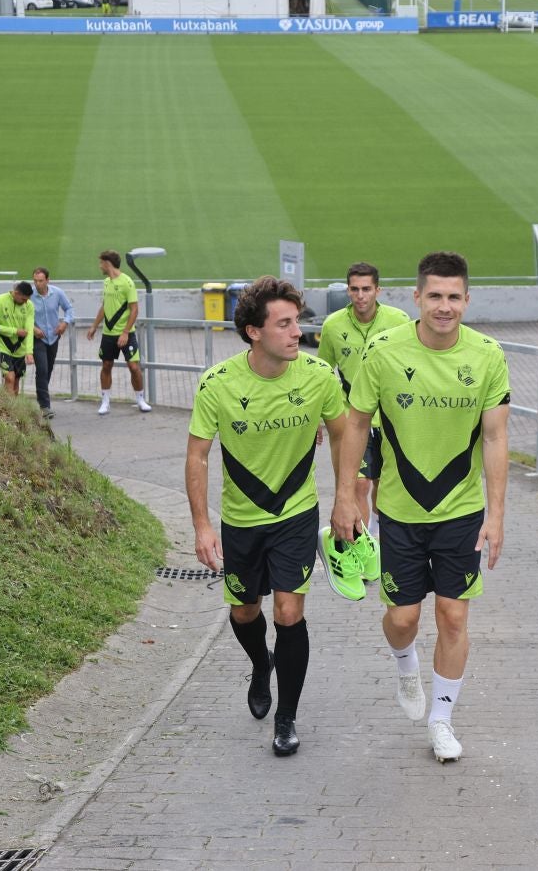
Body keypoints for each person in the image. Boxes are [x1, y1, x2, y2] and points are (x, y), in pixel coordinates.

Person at [330, 251, 510, 764]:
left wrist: (496, 515)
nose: (445, 306)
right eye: (435, 296)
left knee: (453, 616)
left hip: (461, 511)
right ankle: (406, 668)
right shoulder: (384, 352)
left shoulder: (488, 355)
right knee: (404, 618)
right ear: (416, 298)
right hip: (400, 513)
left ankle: (442, 720)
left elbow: (496, 440)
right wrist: (345, 496)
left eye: (454, 297)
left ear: (467, 300)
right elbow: (357, 425)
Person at [186, 276, 347, 757]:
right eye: (285, 324)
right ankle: (261, 665)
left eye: (298, 322)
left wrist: (348, 499)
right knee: (244, 611)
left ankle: (287, 716)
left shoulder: (319, 377)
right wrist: (201, 525)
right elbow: (197, 457)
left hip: (296, 513)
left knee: (289, 611)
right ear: (254, 332)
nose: (298, 332)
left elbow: (344, 434)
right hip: (241, 519)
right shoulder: (218, 384)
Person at [317, 262, 410, 581]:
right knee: (357, 484)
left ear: (378, 291)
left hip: (390, 420)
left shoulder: (399, 321)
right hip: (351, 418)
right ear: (347, 290)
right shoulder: (332, 325)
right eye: (354, 289)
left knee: (384, 489)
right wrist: (317, 418)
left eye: (366, 289)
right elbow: (322, 372)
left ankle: (383, 543)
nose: (360, 296)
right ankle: (364, 549)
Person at [86, 250, 151, 415]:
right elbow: (104, 305)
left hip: (126, 334)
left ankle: (140, 400)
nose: (99, 266)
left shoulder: (127, 282)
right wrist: (94, 326)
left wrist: (125, 332)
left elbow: (134, 309)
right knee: (106, 365)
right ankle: (105, 402)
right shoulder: (106, 282)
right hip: (108, 334)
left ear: (107, 263)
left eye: (101, 262)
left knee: (134, 367)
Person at [30, 266, 74, 419]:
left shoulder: (57, 293)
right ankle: (45, 406)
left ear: (48, 280)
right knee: (41, 369)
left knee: (48, 370)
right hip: (37, 338)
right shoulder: (30, 295)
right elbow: (22, 315)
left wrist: (64, 323)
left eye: (40, 281)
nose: (37, 284)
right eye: (35, 281)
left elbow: (69, 309)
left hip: (53, 337)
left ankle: (42, 396)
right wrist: (33, 328)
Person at [0, 281, 35, 397]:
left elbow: (29, 330)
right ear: (16, 293)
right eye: (23, 299)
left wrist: (29, 352)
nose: (26, 302)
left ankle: (11, 409)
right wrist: (15, 331)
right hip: (2, 346)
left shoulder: (29, 305)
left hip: (20, 349)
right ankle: (8, 412)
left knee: (15, 383)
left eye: (27, 299)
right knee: (9, 377)